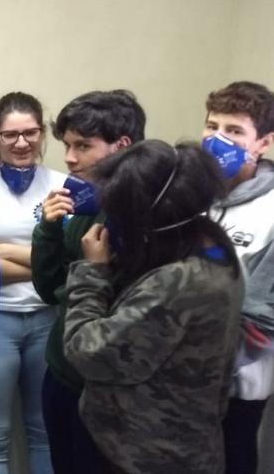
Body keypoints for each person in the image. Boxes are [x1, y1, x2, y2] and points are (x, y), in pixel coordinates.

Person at [63, 140, 244, 473]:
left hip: (148, 455)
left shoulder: (181, 283)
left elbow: (86, 351)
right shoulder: (208, 241)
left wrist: (93, 272)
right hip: (156, 444)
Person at [30, 90, 146, 473]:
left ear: (121, 147)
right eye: (67, 145)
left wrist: (93, 272)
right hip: (62, 371)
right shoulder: (85, 206)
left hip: (107, 386)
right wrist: (48, 229)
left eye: (82, 146)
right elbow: (49, 289)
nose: (69, 157)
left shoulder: (145, 217)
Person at [0, 92, 64, 474]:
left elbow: (73, 263)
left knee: (45, 431)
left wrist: (3, 252)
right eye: (10, 135)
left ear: (42, 133)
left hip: (48, 320)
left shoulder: (62, 186)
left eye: (30, 133)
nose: (21, 143)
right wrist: (47, 265)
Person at [201, 81, 274, 474]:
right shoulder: (194, 194)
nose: (218, 140)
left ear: (263, 143)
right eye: (212, 126)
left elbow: (264, 313)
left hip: (241, 383)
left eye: (234, 131)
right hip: (183, 381)